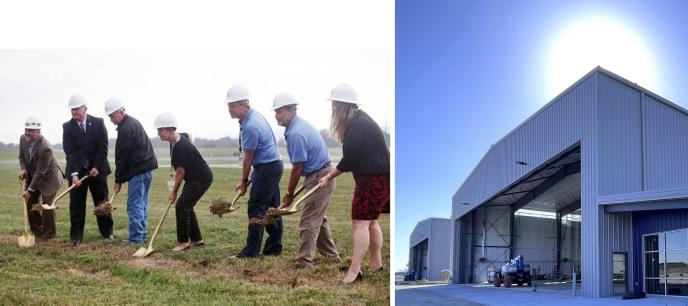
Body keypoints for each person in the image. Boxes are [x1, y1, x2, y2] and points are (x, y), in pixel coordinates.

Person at [316, 84, 390, 283]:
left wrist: (328, 177)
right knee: (371, 221)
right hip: (379, 177)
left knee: (360, 223)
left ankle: (355, 271)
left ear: (342, 105)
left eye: (334, 104)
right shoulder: (360, 120)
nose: (331, 108)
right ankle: (376, 264)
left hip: (372, 179)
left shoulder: (357, 126)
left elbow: (349, 160)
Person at [272, 92, 340, 269]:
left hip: (320, 175)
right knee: (318, 218)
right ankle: (331, 257)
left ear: (291, 110)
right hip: (318, 172)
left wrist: (289, 194)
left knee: (308, 220)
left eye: (279, 112)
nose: (276, 116)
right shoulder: (297, 127)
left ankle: (304, 261)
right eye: (275, 112)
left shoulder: (296, 133)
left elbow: (297, 167)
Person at [225, 85, 283, 258]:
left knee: (256, 208)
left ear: (245, 104)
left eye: (233, 105)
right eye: (229, 105)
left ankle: (251, 251)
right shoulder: (252, 117)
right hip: (272, 166)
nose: (230, 109)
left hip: (266, 167)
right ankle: (273, 247)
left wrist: (244, 181)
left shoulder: (251, 125)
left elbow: (247, 158)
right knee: (272, 208)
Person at [154, 112, 213, 251]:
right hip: (195, 177)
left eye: (161, 130)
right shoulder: (178, 138)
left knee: (181, 205)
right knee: (187, 205)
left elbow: (180, 172)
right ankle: (198, 240)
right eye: (158, 130)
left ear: (170, 129)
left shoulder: (180, 147)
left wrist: (174, 192)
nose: (159, 134)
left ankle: (183, 242)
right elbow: (188, 135)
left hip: (201, 178)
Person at [62, 95, 114, 248]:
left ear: (85, 108)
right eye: (72, 109)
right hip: (77, 173)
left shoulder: (98, 123)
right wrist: (74, 174)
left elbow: (103, 147)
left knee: (102, 202)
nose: (74, 112)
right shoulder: (67, 127)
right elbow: (70, 152)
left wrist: (96, 166)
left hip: (97, 171)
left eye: (77, 109)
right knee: (76, 205)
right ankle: (76, 236)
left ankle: (107, 232)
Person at [105, 98, 158, 244]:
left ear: (121, 112)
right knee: (142, 203)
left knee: (134, 204)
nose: (111, 119)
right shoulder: (132, 122)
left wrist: (118, 180)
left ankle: (135, 238)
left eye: (112, 116)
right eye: (109, 117)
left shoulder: (126, 128)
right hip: (146, 169)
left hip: (139, 171)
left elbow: (122, 157)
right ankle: (141, 235)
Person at [18, 116, 64, 241]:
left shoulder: (45, 148)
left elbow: (41, 172)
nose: (28, 132)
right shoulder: (23, 139)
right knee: (29, 203)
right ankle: (38, 231)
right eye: (27, 129)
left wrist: (30, 190)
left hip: (49, 178)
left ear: (38, 132)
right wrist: (24, 169)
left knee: (47, 206)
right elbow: (22, 157)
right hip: (34, 176)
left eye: (31, 130)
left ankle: (49, 234)